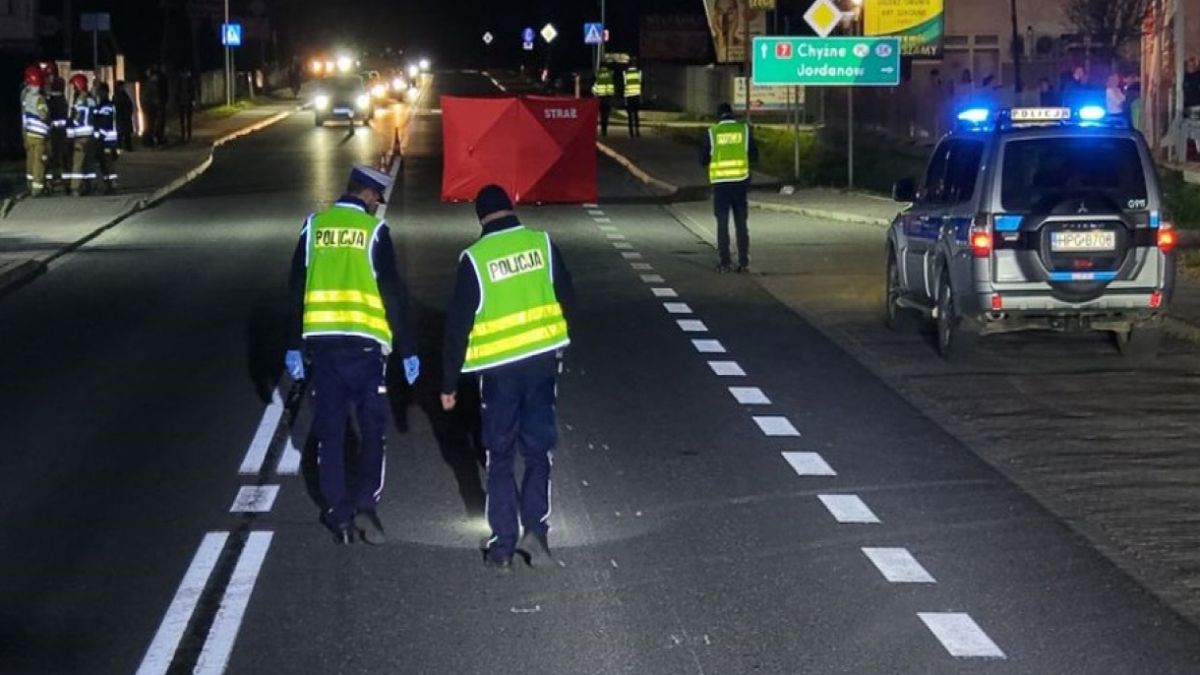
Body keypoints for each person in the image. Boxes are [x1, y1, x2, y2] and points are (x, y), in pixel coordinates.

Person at [440, 184, 575, 573]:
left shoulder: (475, 259)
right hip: (541, 366)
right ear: (511, 208)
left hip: (499, 375)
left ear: (480, 217)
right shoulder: (542, 245)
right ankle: (536, 531)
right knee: (538, 451)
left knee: (499, 457)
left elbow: (457, 328)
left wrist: (449, 384)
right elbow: (568, 297)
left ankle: (502, 546)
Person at [284, 165, 420, 546]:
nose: (379, 205)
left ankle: (339, 517)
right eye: (378, 198)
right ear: (367, 195)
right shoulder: (375, 232)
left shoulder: (314, 227)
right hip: (365, 350)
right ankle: (366, 506)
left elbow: (296, 288)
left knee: (330, 434)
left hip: (323, 351)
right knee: (372, 432)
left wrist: (293, 343)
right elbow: (392, 294)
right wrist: (407, 349)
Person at [700, 102, 758, 273]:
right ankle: (743, 262)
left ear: (718, 116)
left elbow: (703, 159)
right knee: (741, 223)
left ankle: (725, 262)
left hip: (720, 185)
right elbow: (754, 155)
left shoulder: (712, 132)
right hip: (740, 183)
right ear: (732, 114)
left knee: (722, 223)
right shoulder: (744, 130)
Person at [20, 65, 49, 197]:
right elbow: (43, 114)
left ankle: (29, 184)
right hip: (39, 135)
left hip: (29, 133)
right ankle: (37, 188)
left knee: (30, 160)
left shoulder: (26, 97)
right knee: (39, 161)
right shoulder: (39, 98)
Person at [67, 73, 97, 196]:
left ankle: (76, 188)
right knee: (89, 162)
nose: (73, 89)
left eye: (74, 86)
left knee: (77, 163)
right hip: (90, 135)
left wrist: (69, 128)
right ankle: (91, 186)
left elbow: (77, 118)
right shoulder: (91, 99)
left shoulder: (80, 100)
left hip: (80, 136)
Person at [91, 82, 119, 194]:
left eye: (99, 91)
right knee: (103, 164)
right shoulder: (101, 105)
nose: (98, 94)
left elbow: (105, 123)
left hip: (108, 141)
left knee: (107, 164)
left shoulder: (107, 106)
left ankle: (112, 185)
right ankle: (109, 185)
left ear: (105, 92)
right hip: (104, 140)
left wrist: (99, 136)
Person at [45, 76, 71, 194]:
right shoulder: (62, 99)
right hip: (62, 133)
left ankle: (52, 182)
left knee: (52, 158)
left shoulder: (50, 100)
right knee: (64, 158)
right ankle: (66, 183)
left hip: (52, 134)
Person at [593, 63, 615, 138]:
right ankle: (604, 130)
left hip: (600, 98)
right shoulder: (610, 73)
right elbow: (612, 87)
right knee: (606, 115)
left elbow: (595, 87)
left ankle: (601, 130)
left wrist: (595, 93)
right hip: (608, 98)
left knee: (600, 114)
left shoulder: (598, 74)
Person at [114, 80, 135, 152]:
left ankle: (125, 146)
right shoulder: (119, 95)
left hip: (124, 116)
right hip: (121, 116)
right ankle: (122, 146)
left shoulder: (122, 95)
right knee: (122, 133)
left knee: (125, 133)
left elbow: (129, 105)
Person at [623, 60, 642, 138]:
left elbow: (625, 85)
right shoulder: (639, 72)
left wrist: (625, 98)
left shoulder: (625, 73)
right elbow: (640, 83)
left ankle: (631, 133)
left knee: (630, 116)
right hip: (636, 95)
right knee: (636, 114)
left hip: (629, 96)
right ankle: (637, 131)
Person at [177, 70, 195, 143]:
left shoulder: (186, 80)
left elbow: (192, 91)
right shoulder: (186, 81)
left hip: (185, 102)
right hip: (184, 101)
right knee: (185, 120)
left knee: (186, 120)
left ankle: (186, 135)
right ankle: (185, 135)